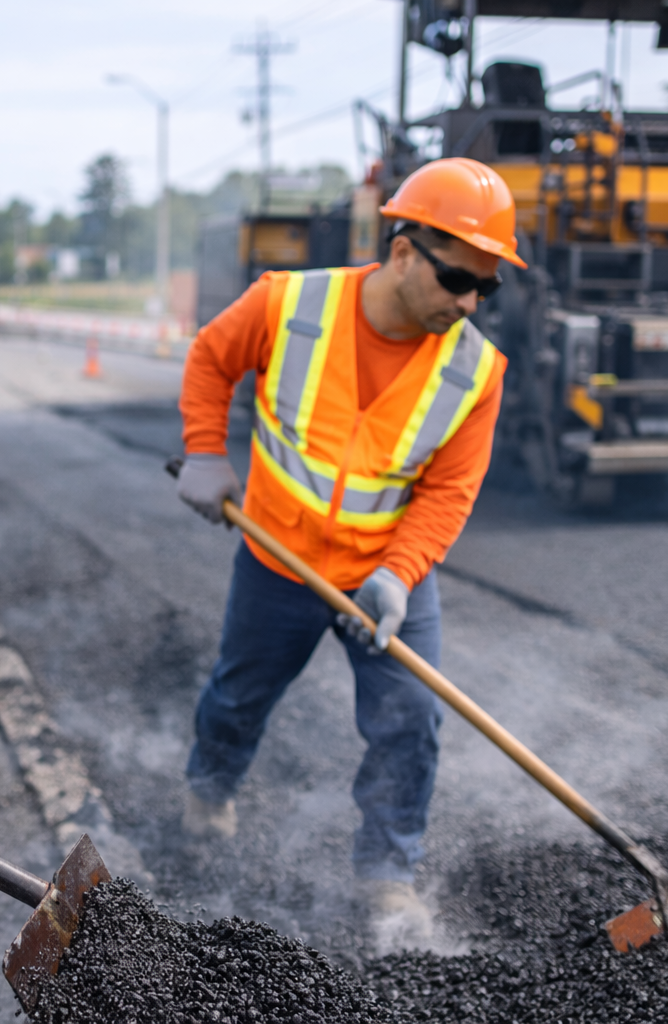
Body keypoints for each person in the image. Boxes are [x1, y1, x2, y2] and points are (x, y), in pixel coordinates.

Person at [174, 157, 519, 948]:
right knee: (237, 698)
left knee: (410, 720)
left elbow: (448, 492)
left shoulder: (476, 371)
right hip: (278, 561)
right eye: (458, 280)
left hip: (386, 572)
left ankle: (388, 874)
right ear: (402, 252)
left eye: (486, 289)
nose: (469, 303)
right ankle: (208, 793)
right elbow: (211, 359)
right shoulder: (288, 303)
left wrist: (399, 575)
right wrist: (204, 452)